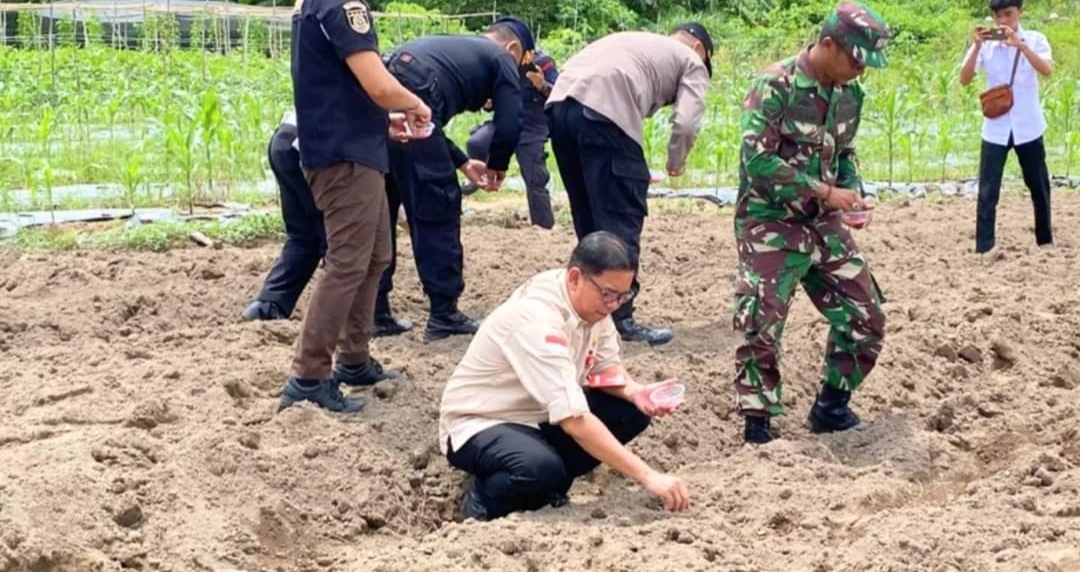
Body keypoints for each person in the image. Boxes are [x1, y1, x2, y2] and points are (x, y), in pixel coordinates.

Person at [439, 231, 690, 521]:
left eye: (623, 296)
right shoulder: (537, 319)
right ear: (575, 278)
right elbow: (575, 421)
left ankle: (548, 485)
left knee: (630, 411)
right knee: (538, 468)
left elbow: (605, 368)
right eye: (608, 294)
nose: (613, 306)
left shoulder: (593, 303)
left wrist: (635, 391)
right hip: (483, 420)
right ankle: (482, 500)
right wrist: (648, 476)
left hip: (539, 412)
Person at [732, 1, 890, 444]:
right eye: (856, 59)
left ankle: (831, 407)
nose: (860, 70)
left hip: (823, 223)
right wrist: (823, 191)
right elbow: (757, 159)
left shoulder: (849, 94)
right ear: (827, 44)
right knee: (761, 322)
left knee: (866, 316)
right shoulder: (775, 85)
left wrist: (851, 191)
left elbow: (844, 153)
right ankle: (758, 425)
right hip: (771, 221)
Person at [278, 0, 431, 413]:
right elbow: (379, 86)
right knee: (348, 262)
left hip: (354, 151)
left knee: (376, 256)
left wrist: (383, 123)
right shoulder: (342, 6)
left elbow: (336, 87)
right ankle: (309, 377)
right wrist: (414, 105)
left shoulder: (317, 7)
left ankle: (354, 358)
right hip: (344, 158)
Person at [546, 23, 713, 346]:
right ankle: (620, 320)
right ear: (697, 49)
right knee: (621, 222)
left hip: (559, 109)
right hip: (605, 113)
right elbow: (688, 120)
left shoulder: (635, 40)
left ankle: (584, 310)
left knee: (589, 221)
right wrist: (676, 161)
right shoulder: (691, 61)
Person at [376, 17, 533, 342]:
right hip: (416, 90)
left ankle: (375, 310)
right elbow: (510, 122)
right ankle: (444, 313)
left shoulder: (452, 48)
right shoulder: (502, 57)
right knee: (438, 204)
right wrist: (497, 164)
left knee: (383, 205)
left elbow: (428, 127)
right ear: (514, 48)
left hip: (384, 96)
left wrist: (462, 163)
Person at [959, 0, 1054, 256]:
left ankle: (1045, 241)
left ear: (1020, 13)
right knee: (988, 190)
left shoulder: (1034, 39)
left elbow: (1046, 70)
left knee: (1039, 186)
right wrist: (977, 46)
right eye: (999, 16)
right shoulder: (986, 45)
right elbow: (964, 79)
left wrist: (1020, 46)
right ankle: (985, 247)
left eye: (1009, 15)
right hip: (996, 127)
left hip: (1028, 125)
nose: (1004, 21)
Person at [242, 111, 327, 322]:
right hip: (312, 143)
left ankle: (268, 304)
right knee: (336, 236)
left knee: (304, 235)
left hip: (285, 138)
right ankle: (350, 315)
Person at [462, 48, 560, 230]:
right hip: (505, 123)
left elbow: (557, 96)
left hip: (532, 127)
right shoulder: (500, 63)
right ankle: (476, 181)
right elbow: (492, 100)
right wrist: (488, 102)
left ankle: (543, 227)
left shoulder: (544, 62)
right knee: (476, 143)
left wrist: (541, 84)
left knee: (535, 178)